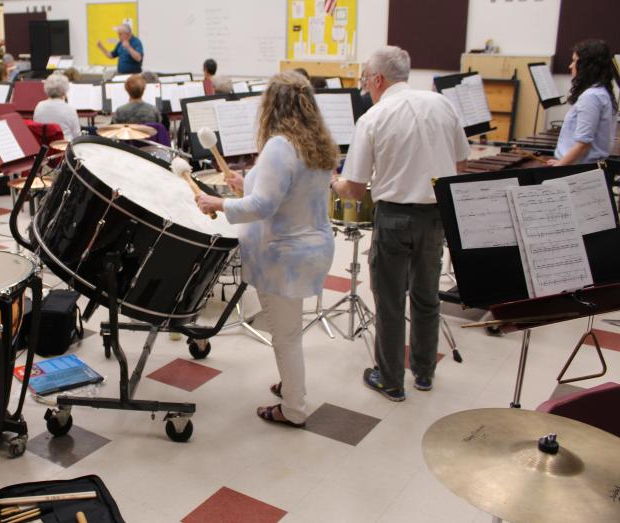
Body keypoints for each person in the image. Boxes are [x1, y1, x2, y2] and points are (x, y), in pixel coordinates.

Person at [195, 71, 337, 427]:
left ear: (273, 105)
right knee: (289, 331)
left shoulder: (279, 146)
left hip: (286, 254)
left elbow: (263, 207)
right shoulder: (314, 143)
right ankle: (292, 387)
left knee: (285, 337)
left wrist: (218, 203)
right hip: (311, 247)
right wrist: (245, 183)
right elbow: (289, 192)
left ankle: (294, 409)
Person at [331, 46, 468, 401]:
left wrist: (332, 181)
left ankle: (390, 380)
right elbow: (461, 165)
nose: (365, 88)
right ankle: (424, 373)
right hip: (436, 216)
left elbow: (355, 190)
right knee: (426, 298)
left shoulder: (374, 117)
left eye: (365, 80)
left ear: (377, 79)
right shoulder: (442, 105)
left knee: (390, 302)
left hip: (393, 217)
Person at [549, 39, 618, 166]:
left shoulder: (592, 96)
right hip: (576, 165)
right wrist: (561, 160)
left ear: (587, 65)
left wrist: (558, 167)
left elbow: (583, 144)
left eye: (575, 61)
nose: (571, 66)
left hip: (578, 170)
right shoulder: (601, 91)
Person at [34, 73, 81, 140]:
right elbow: (77, 135)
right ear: (64, 91)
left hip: (45, 145)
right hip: (65, 146)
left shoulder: (39, 106)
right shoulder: (69, 109)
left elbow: (37, 128)